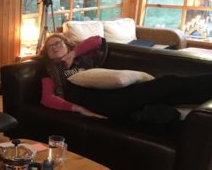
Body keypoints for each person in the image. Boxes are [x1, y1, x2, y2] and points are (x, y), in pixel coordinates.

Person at [39, 33, 212, 120]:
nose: (54, 47)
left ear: (67, 45)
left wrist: (73, 54)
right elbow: (47, 98)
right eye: (49, 47)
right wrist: (78, 109)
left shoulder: (82, 58)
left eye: (58, 43)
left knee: (167, 95)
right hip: (100, 102)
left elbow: (98, 40)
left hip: (114, 94)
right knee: (167, 83)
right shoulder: (50, 70)